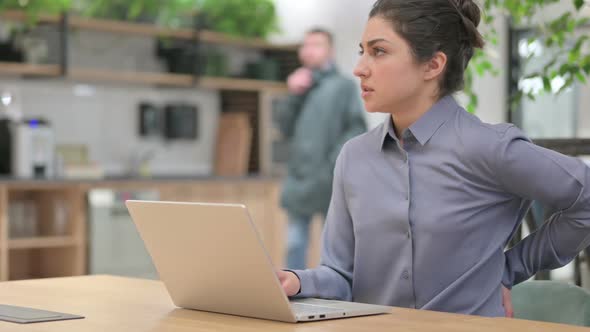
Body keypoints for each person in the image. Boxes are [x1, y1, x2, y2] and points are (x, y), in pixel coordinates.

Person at [277, 0, 590, 317]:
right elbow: (342, 276)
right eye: (362, 51)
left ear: (432, 65)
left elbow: (586, 195)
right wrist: (294, 281)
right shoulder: (353, 157)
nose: (360, 68)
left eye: (379, 51)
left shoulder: (490, 148)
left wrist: (509, 269)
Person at [276, 28, 367, 270]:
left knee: (333, 247)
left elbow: (356, 128)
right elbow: (283, 127)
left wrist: (332, 165)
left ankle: (332, 296)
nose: (309, 50)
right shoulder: (299, 85)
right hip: (299, 179)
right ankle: (292, 295)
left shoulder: (344, 86)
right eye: (305, 45)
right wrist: (293, 94)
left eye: (316, 44)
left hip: (330, 180)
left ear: (330, 50)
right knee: (294, 244)